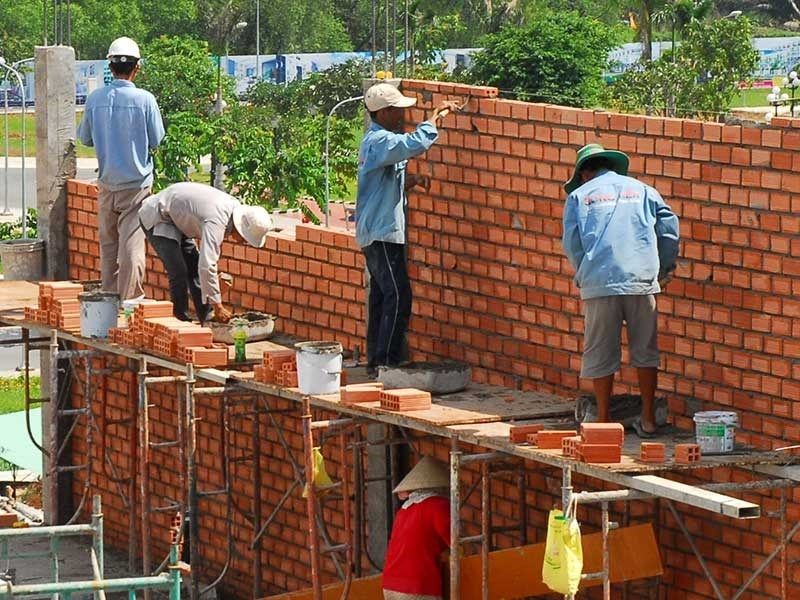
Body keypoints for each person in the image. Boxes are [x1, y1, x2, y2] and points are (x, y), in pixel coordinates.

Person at [561, 143, 680, 437]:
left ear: (585, 173)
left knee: (601, 352)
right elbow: (668, 229)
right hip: (641, 280)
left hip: (600, 283)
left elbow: (572, 244)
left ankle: (603, 423)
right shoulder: (644, 190)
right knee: (646, 351)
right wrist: (663, 270)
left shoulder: (579, 196)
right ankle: (649, 420)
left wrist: (585, 275)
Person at [356, 83, 459, 376]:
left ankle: (377, 360)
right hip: (382, 233)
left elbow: (383, 181)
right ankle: (386, 363)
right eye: (398, 109)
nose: (403, 114)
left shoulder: (378, 141)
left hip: (378, 231)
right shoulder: (380, 141)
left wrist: (411, 182)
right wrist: (435, 116)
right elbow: (413, 145)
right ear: (385, 112)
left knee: (381, 296)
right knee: (398, 295)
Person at [77, 36, 165, 301]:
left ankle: (108, 301)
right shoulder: (145, 100)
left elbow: (85, 139)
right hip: (136, 187)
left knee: (108, 247)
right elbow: (157, 139)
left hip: (106, 186)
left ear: (110, 66)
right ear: (136, 67)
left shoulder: (95, 99)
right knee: (133, 247)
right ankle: (129, 306)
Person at [138, 182, 275, 323]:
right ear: (240, 228)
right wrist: (218, 305)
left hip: (177, 220)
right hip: (158, 217)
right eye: (246, 238)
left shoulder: (231, 211)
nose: (244, 242)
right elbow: (207, 265)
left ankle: (207, 318)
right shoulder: (217, 221)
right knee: (179, 271)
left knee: (194, 267)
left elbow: (202, 267)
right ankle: (180, 323)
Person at [383, 456, 450, 600]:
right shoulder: (438, 506)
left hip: (390, 584)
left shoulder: (404, 511)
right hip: (418, 585)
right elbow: (453, 539)